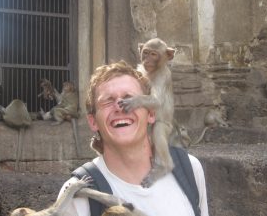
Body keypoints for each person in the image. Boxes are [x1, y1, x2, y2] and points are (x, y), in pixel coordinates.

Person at [58, 61, 209, 216]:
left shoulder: (188, 168)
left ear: (151, 113)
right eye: (108, 101)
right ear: (93, 121)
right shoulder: (77, 195)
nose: (120, 106)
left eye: (129, 98)